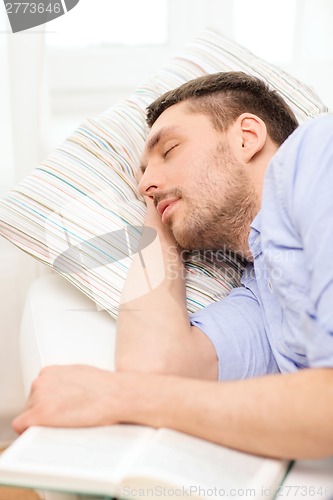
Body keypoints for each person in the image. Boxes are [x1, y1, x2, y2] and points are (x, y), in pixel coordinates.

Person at [12, 72, 333, 460]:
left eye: (169, 150)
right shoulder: (263, 293)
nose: (145, 183)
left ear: (247, 137)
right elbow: (155, 369)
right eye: (142, 175)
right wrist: (160, 216)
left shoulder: (316, 154)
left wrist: (117, 397)